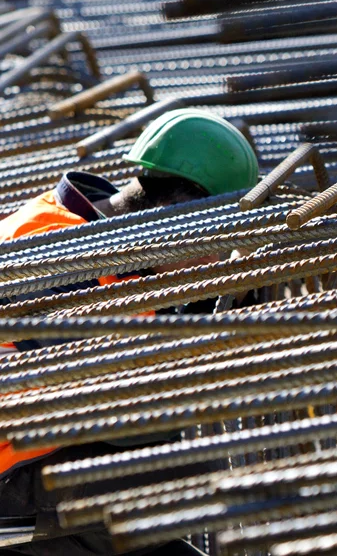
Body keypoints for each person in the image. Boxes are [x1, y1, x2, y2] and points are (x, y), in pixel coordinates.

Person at [0, 109, 259, 556]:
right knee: (203, 466)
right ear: (172, 212)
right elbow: (138, 403)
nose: (215, 262)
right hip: (12, 473)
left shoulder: (84, 224)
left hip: (42, 453)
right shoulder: (66, 261)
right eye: (215, 241)